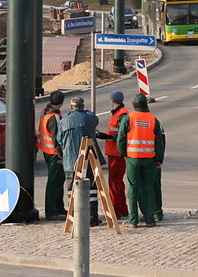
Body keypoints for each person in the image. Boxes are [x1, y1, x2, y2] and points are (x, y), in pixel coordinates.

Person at [117, 93, 164, 228]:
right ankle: (150, 219)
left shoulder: (129, 118)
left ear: (133, 104)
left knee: (133, 188)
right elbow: (159, 142)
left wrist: (123, 154)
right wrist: (158, 159)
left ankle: (133, 220)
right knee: (148, 188)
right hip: (149, 160)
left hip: (133, 159)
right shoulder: (153, 120)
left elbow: (121, 139)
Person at [55, 96, 104, 226]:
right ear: (82, 106)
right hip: (89, 159)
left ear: (71, 107)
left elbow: (59, 140)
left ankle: (74, 217)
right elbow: (95, 119)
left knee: (72, 189)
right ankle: (92, 217)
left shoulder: (64, 121)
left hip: (70, 161)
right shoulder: (88, 118)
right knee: (91, 189)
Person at [96, 91, 129, 218]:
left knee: (114, 182)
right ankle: (122, 208)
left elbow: (121, 135)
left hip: (117, 153)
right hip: (115, 153)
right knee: (118, 182)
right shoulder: (119, 113)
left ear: (113, 101)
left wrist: (106, 136)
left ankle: (116, 210)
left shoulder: (121, 114)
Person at [36, 90, 67, 220]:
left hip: (46, 150)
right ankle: (52, 210)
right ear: (61, 103)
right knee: (55, 181)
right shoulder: (54, 117)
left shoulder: (45, 111)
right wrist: (61, 154)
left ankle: (59, 207)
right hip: (54, 153)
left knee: (58, 180)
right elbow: (57, 139)